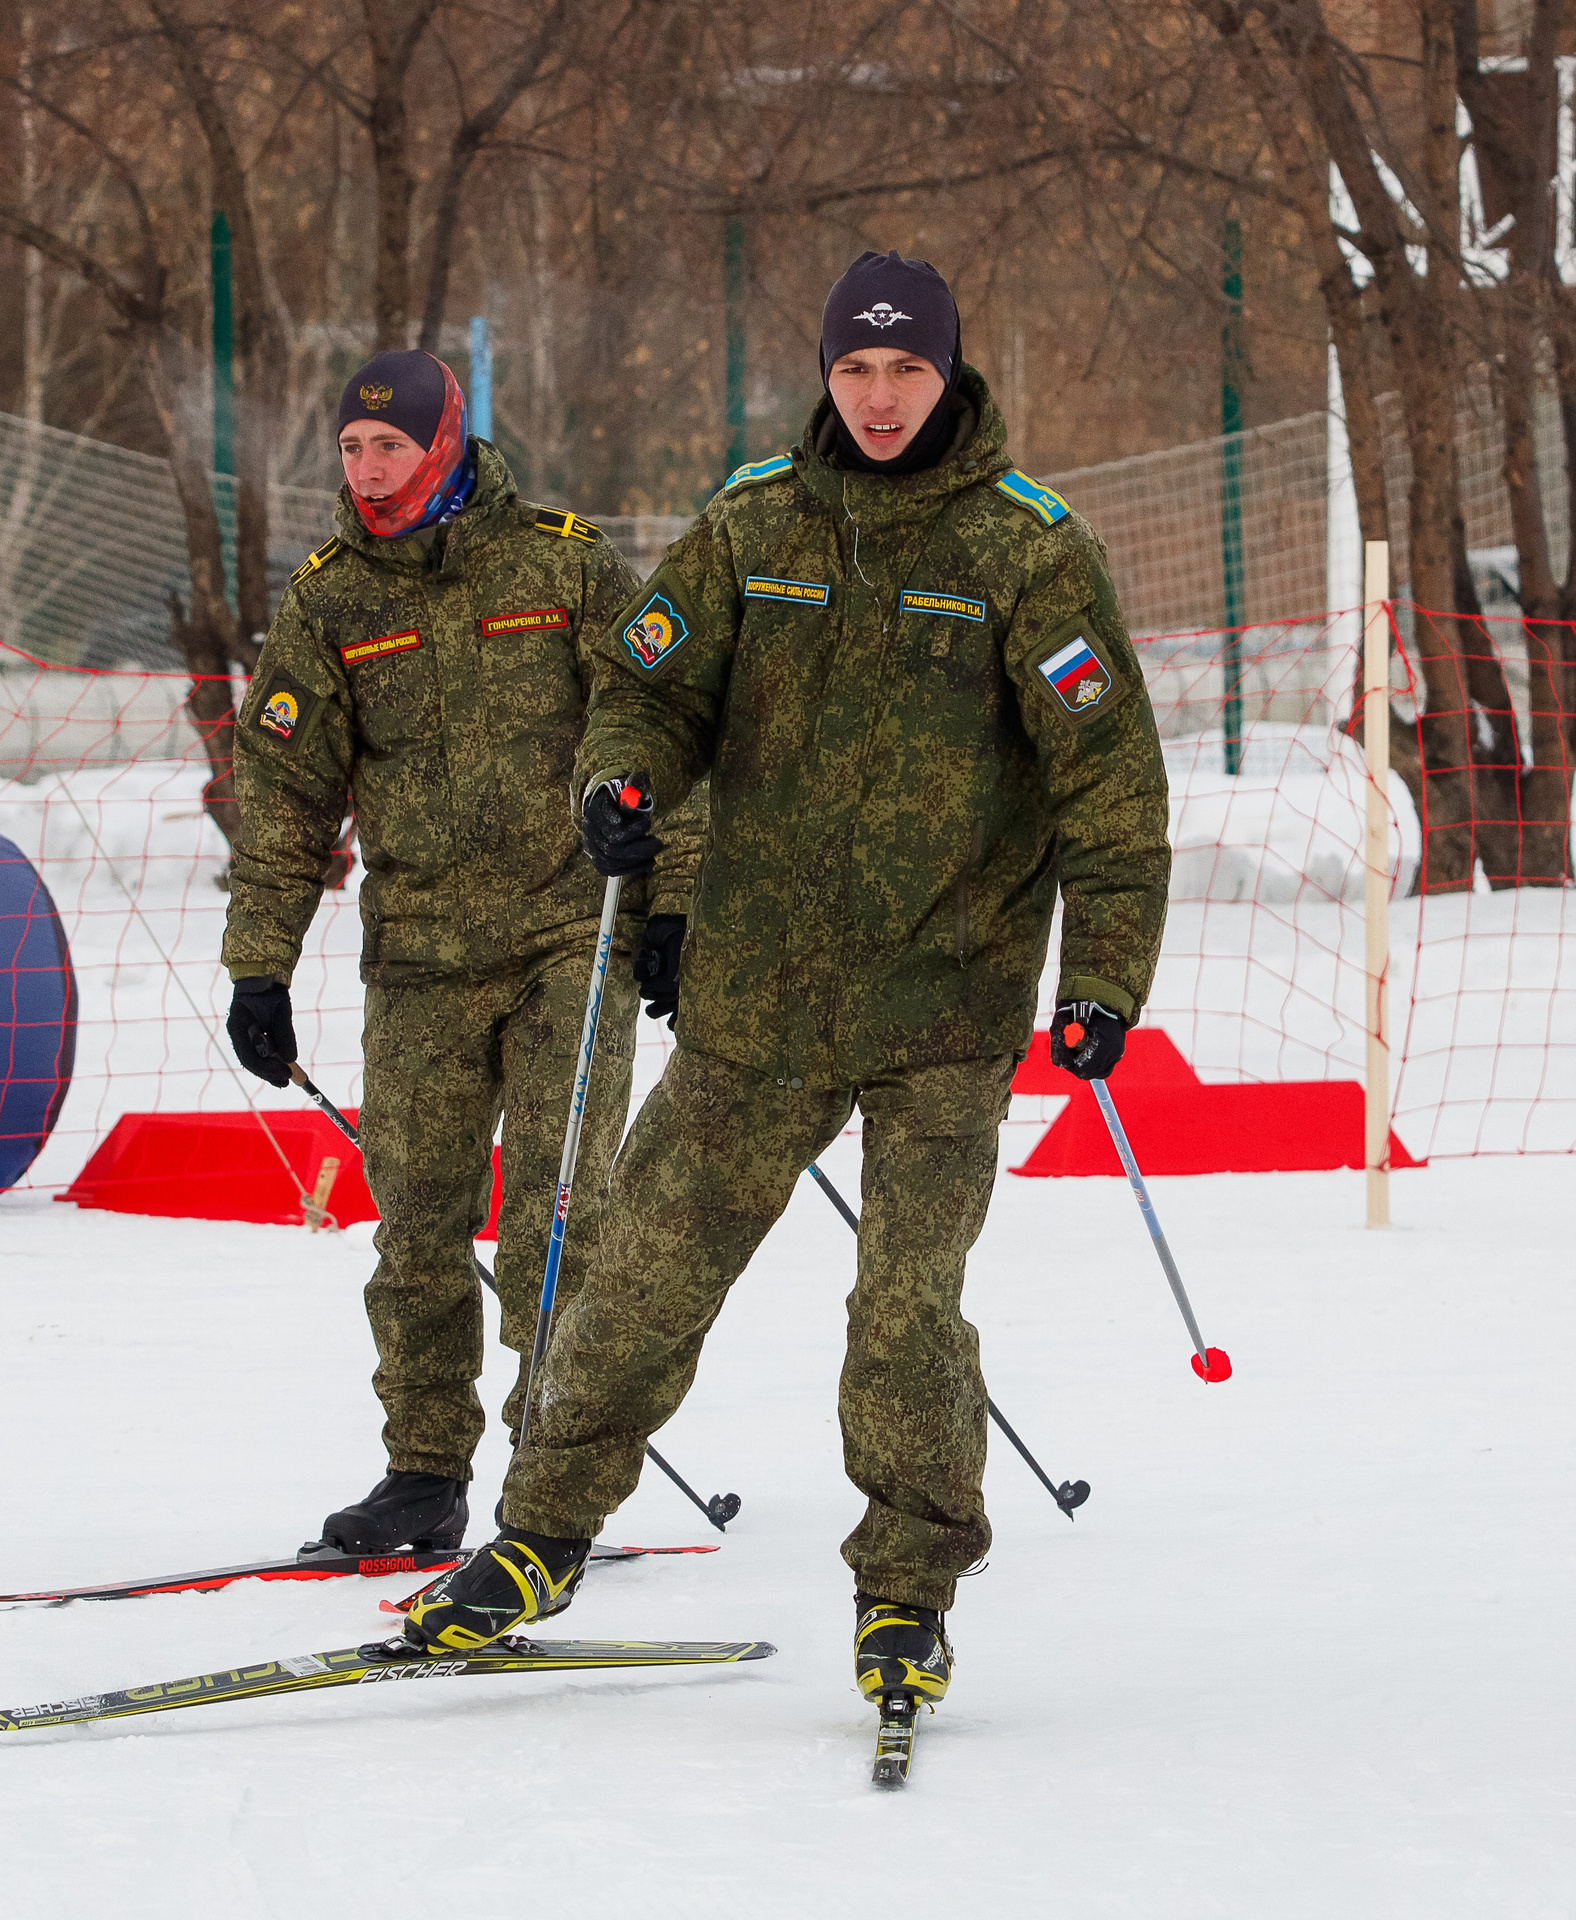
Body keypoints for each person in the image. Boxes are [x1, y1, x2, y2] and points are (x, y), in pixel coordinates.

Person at [401, 253, 1172, 1716]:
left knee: (905, 1316)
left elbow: (1110, 792)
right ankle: (537, 1539)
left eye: (908, 373)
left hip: (942, 1012)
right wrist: (621, 783)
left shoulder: (1028, 552)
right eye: (855, 372)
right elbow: (646, 686)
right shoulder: (754, 522)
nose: (880, 400)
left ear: (951, 375)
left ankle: (907, 1592)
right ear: (827, 375)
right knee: (634, 1282)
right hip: (760, 1004)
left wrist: (1106, 982)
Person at [223, 349, 701, 1554]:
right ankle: (424, 1472)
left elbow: (661, 724)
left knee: (554, 1218)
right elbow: (284, 795)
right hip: (422, 955)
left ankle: (552, 1485)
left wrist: (673, 904)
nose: (370, 469)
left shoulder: (564, 562)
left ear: (443, 446)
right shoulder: (332, 601)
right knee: (417, 1226)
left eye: (391, 446)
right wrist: (258, 966)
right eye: (351, 449)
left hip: (566, 935)